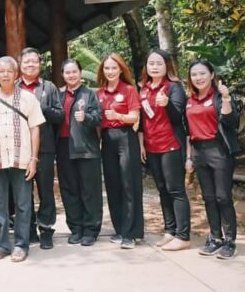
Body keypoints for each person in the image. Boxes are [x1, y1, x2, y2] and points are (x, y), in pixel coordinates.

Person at [0, 56, 45, 262]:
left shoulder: (28, 98)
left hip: (21, 158)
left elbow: (35, 129)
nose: (5, 75)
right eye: (1, 71)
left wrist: (34, 158)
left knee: (23, 204)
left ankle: (21, 244)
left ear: (16, 74)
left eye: (9, 71)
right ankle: (3, 244)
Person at [186, 60, 241, 260]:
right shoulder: (190, 100)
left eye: (202, 73)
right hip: (198, 151)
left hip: (219, 151)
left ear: (211, 74)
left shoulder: (218, 97)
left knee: (223, 197)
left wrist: (225, 99)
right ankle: (215, 238)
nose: (198, 78)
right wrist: (189, 157)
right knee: (208, 197)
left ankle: (230, 241)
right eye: (194, 74)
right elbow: (187, 131)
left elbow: (230, 122)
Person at [138, 49, 191, 251]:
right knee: (162, 189)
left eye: (159, 63)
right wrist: (141, 143)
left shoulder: (174, 87)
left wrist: (167, 104)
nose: (154, 67)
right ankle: (170, 230)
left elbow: (179, 117)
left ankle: (183, 235)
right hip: (151, 146)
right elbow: (142, 121)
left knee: (175, 190)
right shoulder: (144, 89)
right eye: (151, 63)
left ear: (166, 65)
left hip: (170, 144)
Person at [16, 48, 64, 249]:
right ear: (20, 65)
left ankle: (46, 229)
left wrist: (42, 108)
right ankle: (28, 230)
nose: (30, 65)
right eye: (26, 61)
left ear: (40, 64)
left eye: (34, 61)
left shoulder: (49, 87)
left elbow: (60, 116)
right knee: (22, 193)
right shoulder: (13, 87)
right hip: (19, 148)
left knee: (45, 191)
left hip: (44, 147)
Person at [96, 54, 143, 249]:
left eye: (114, 68)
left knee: (129, 184)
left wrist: (118, 116)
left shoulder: (129, 90)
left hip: (125, 137)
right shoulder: (99, 93)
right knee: (113, 185)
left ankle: (131, 233)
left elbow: (134, 117)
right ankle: (120, 229)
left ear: (121, 70)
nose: (110, 72)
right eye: (107, 68)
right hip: (107, 140)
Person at [56, 59, 103, 246]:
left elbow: (99, 118)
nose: (71, 75)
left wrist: (87, 117)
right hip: (63, 147)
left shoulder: (90, 94)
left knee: (89, 190)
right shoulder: (58, 94)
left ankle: (91, 230)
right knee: (69, 190)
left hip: (86, 148)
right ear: (62, 75)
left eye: (74, 71)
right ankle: (76, 229)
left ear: (80, 73)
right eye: (67, 72)